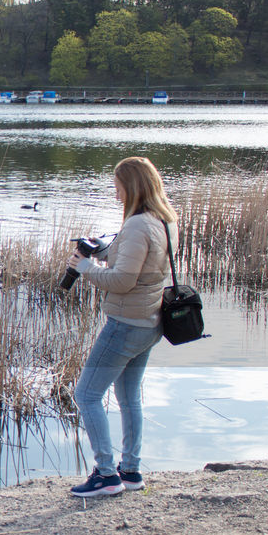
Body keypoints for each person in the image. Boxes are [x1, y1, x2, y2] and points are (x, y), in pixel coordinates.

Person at [67, 156, 178, 497]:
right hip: (150, 322)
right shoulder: (164, 219)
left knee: (86, 394)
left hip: (126, 324)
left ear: (131, 187)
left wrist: (86, 267)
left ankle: (106, 475)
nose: (116, 196)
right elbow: (143, 268)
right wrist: (104, 252)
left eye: (117, 188)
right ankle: (130, 471)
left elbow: (124, 281)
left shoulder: (136, 225)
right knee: (129, 397)